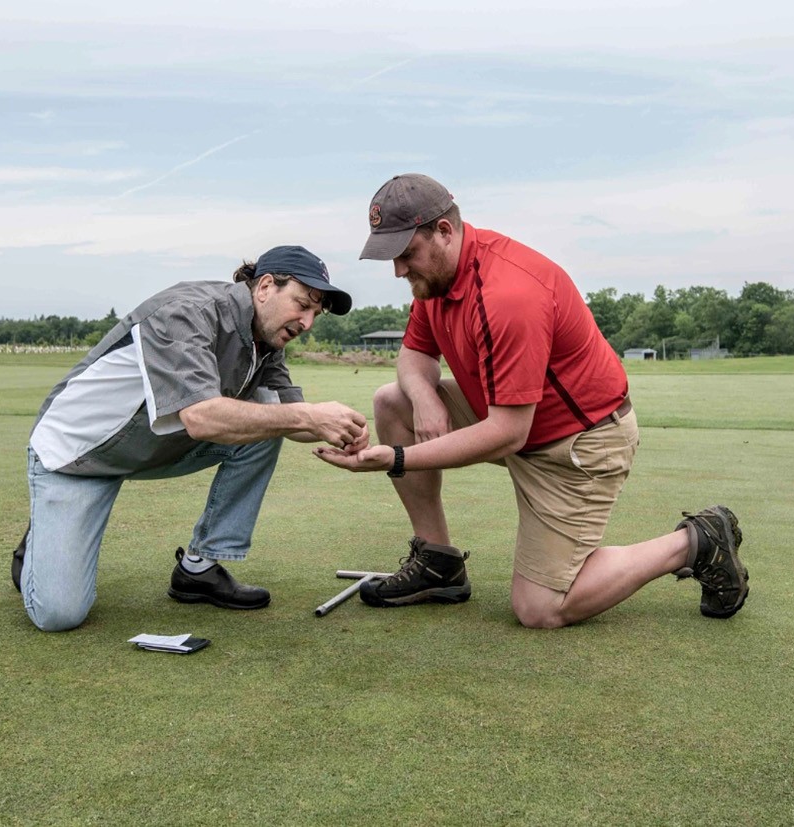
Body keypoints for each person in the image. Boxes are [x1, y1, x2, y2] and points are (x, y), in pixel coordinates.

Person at [315, 174, 749, 628]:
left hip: (579, 444)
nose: (399, 271)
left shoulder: (509, 295)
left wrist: (399, 458)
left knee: (540, 608)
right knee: (393, 401)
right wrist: (424, 397)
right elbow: (414, 354)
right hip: (517, 422)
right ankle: (438, 562)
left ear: (444, 232)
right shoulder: (437, 280)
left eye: (406, 255)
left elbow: (507, 433)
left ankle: (696, 541)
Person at [13, 245, 368, 632]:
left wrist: (338, 429)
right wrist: (307, 416)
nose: (308, 322)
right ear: (265, 286)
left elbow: (290, 418)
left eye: (315, 313)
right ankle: (40, 542)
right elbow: (201, 418)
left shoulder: (266, 342)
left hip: (149, 446)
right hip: (74, 457)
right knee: (59, 615)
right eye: (302, 304)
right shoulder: (188, 311)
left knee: (268, 423)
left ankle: (198, 568)